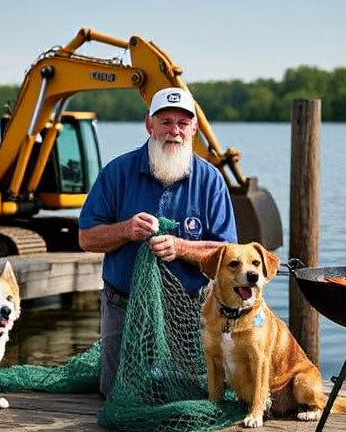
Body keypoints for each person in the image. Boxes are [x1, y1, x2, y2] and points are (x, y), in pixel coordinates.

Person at [77, 87, 238, 398]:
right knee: (116, 394)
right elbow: (86, 238)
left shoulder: (211, 180)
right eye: (165, 122)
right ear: (149, 125)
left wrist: (180, 247)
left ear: (193, 129)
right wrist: (125, 230)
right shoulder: (116, 172)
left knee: (192, 393)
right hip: (123, 305)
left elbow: (227, 252)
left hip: (190, 309)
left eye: (181, 123)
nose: (173, 132)